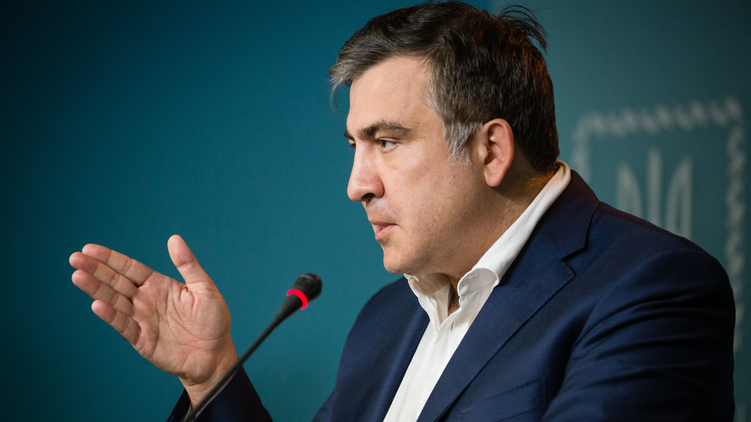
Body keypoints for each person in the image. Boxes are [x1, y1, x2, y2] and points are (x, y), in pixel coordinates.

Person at [69, 2, 735, 421]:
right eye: (354, 146)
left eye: (386, 141)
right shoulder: (386, 320)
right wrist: (213, 376)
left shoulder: (652, 289)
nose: (356, 185)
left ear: (491, 150)